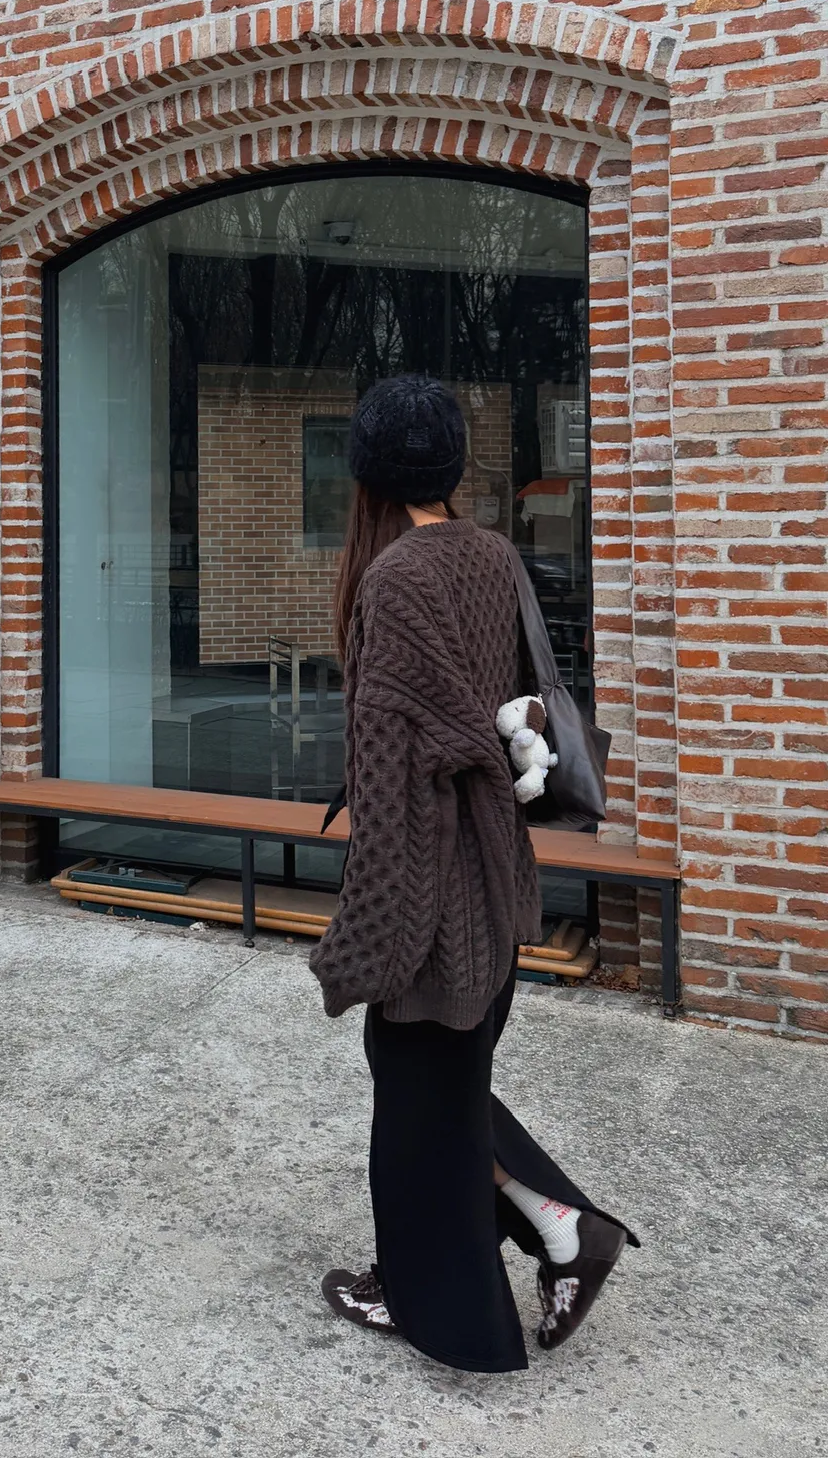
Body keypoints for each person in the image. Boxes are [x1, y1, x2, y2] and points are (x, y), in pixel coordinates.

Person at [309, 374, 637, 1373]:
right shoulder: (492, 553)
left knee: (421, 1099)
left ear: (365, 473)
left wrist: (362, 937)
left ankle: (447, 1309)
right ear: (451, 465)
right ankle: (562, 1230)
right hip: (496, 873)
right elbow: (513, 709)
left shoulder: (391, 581)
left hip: (430, 887)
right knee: (438, 1087)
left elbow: (388, 788)